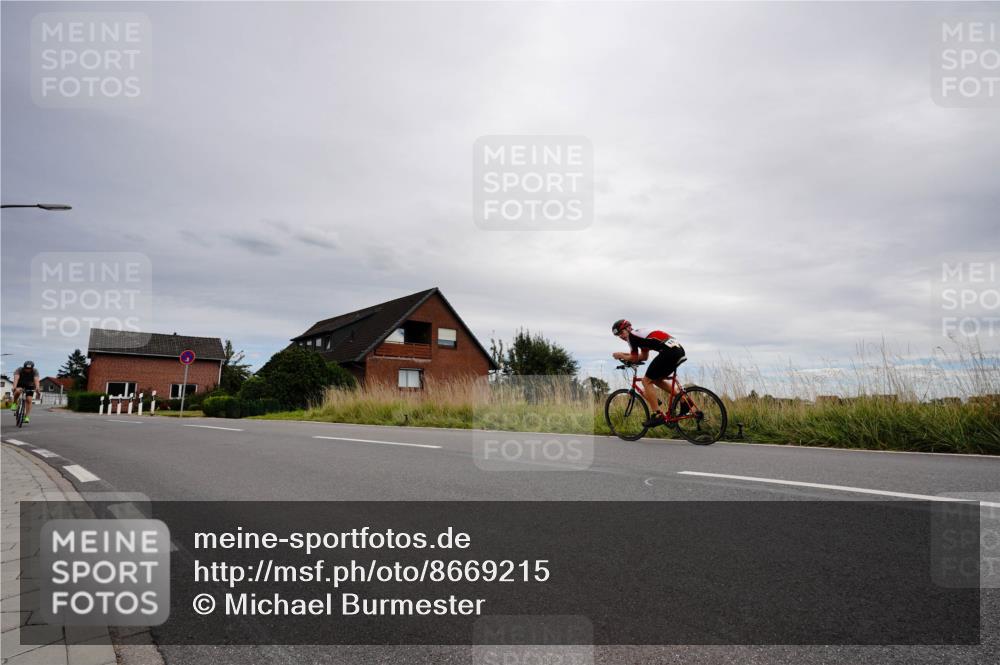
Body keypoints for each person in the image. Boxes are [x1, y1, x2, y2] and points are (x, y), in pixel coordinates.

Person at [611, 319, 686, 427]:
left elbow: (634, 357)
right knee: (656, 380)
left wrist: (621, 356)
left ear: (628, 328)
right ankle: (683, 400)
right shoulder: (639, 335)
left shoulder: (632, 336)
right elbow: (643, 357)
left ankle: (657, 415)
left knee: (646, 381)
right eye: (618, 335)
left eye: (621, 333)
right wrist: (624, 354)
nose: (621, 336)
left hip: (668, 352)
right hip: (678, 350)